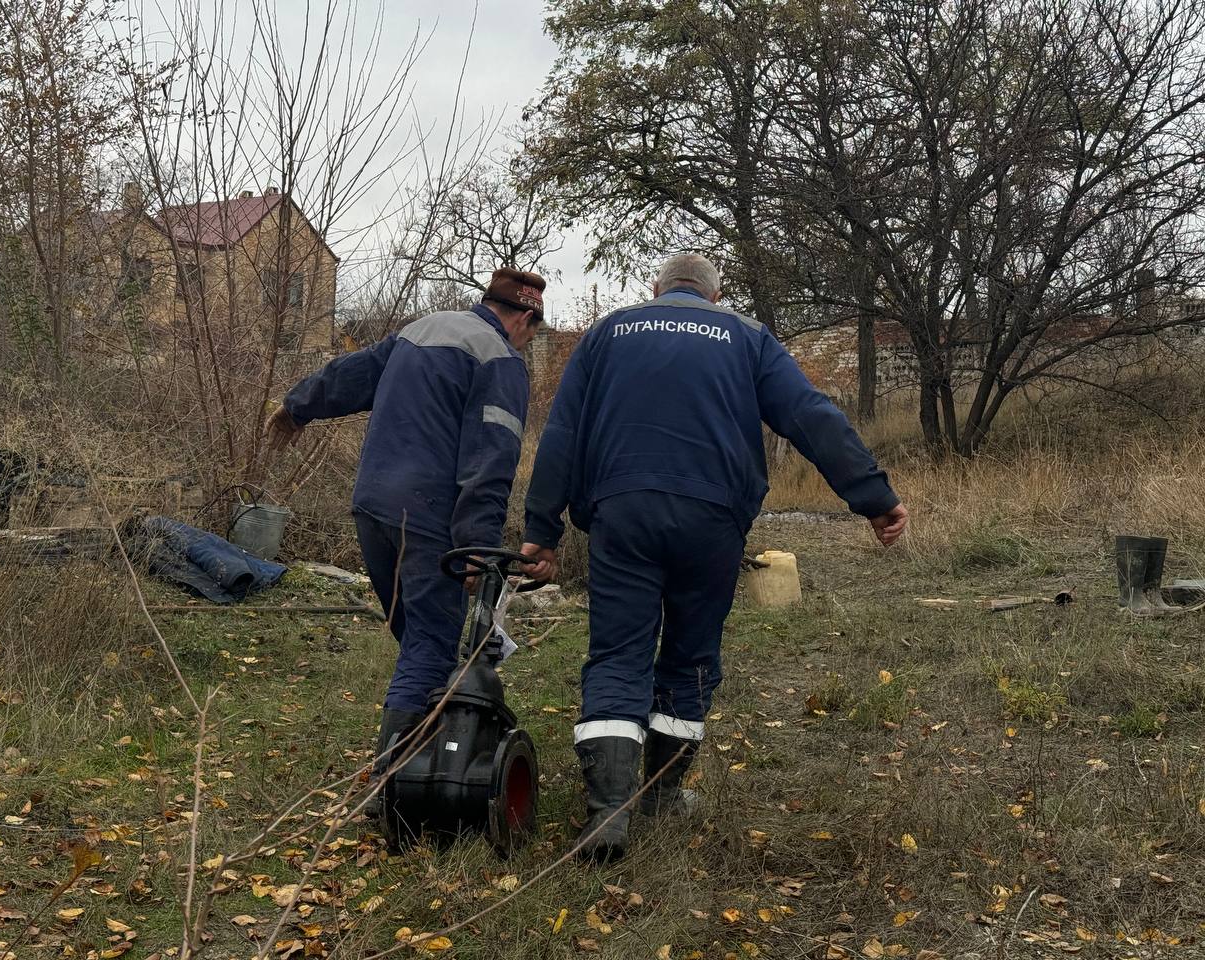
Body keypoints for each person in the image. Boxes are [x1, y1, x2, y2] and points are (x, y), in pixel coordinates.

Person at [518, 254, 907, 861]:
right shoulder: (747, 337)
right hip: (713, 519)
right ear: (715, 295)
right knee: (692, 653)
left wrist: (540, 529)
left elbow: (563, 433)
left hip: (624, 513)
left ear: (658, 289)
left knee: (619, 653)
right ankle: (662, 792)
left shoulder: (608, 333)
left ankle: (607, 814)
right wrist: (873, 497)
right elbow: (809, 415)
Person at [265, 267, 547, 796]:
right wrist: (474, 545)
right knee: (432, 643)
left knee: (416, 634)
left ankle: (424, 745)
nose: (529, 343)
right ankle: (395, 786)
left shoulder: (423, 328)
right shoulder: (501, 360)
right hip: (429, 516)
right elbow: (491, 462)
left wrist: (297, 405)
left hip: (373, 507)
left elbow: (352, 374)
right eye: (533, 333)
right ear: (526, 318)